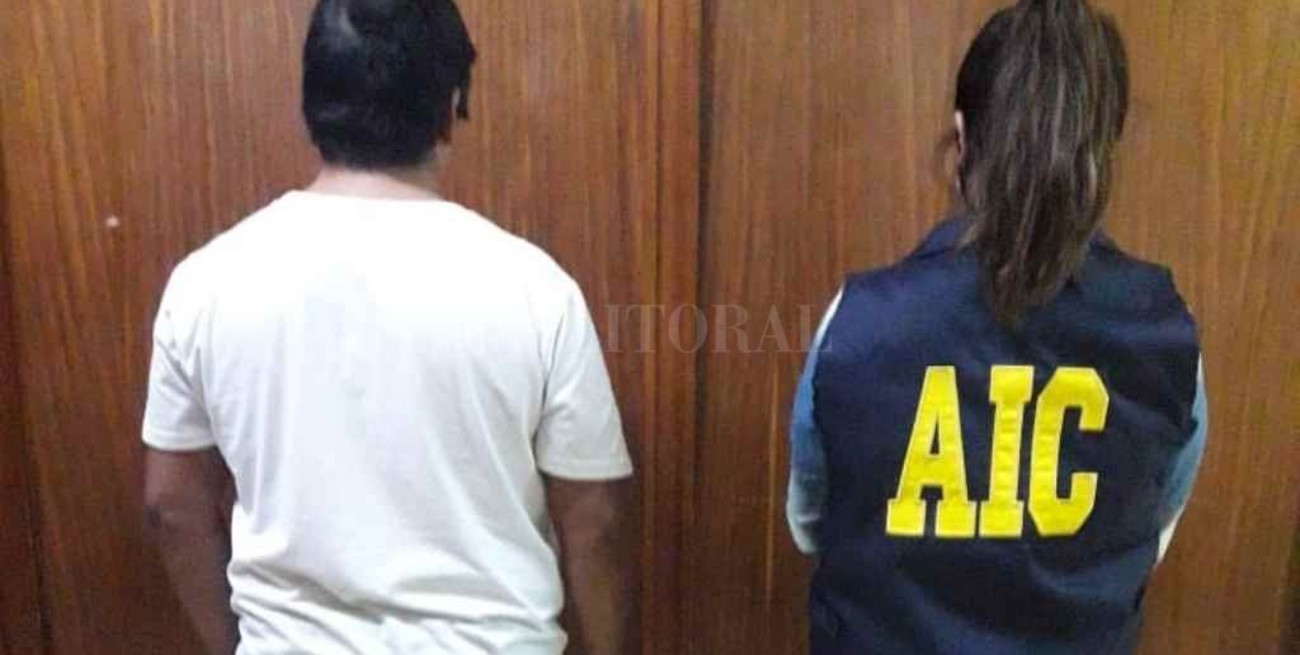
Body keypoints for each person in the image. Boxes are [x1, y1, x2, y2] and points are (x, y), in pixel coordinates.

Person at [141, 1, 635, 654]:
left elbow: (171, 503)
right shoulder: (536, 290)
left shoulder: (206, 284)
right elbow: (593, 520)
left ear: (312, 103)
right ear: (451, 105)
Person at [786, 1, 1206, 653]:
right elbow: (1152, 527)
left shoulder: (859, 320)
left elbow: (811, 517)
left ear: (961, 140)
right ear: (1103, 153)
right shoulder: (1166, 335)